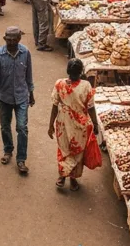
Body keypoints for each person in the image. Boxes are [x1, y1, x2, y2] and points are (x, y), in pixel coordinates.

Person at [48, 58, 98, 190]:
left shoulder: (59, 84)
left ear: (67, 71)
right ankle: (72, 178)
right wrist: (95, 125)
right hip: (81, 124)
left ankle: (62, 176)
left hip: (63, 121)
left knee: (64, 149)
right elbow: (91, 107)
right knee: (77, 151)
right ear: (82, 71)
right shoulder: (86, 85)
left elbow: (54, 106)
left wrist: (50, 126)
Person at [0, 27, 34, 174]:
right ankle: (8, 150)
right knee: (5, 126)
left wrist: (31, 93)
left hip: (22, 97)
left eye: (14, 39)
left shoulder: (25, 53)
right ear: (4, 39)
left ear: (19, 39)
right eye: (9, 39)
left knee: (22, 128)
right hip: (5, 97)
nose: (11, 42)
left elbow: (28, 75)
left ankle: (21, 159)